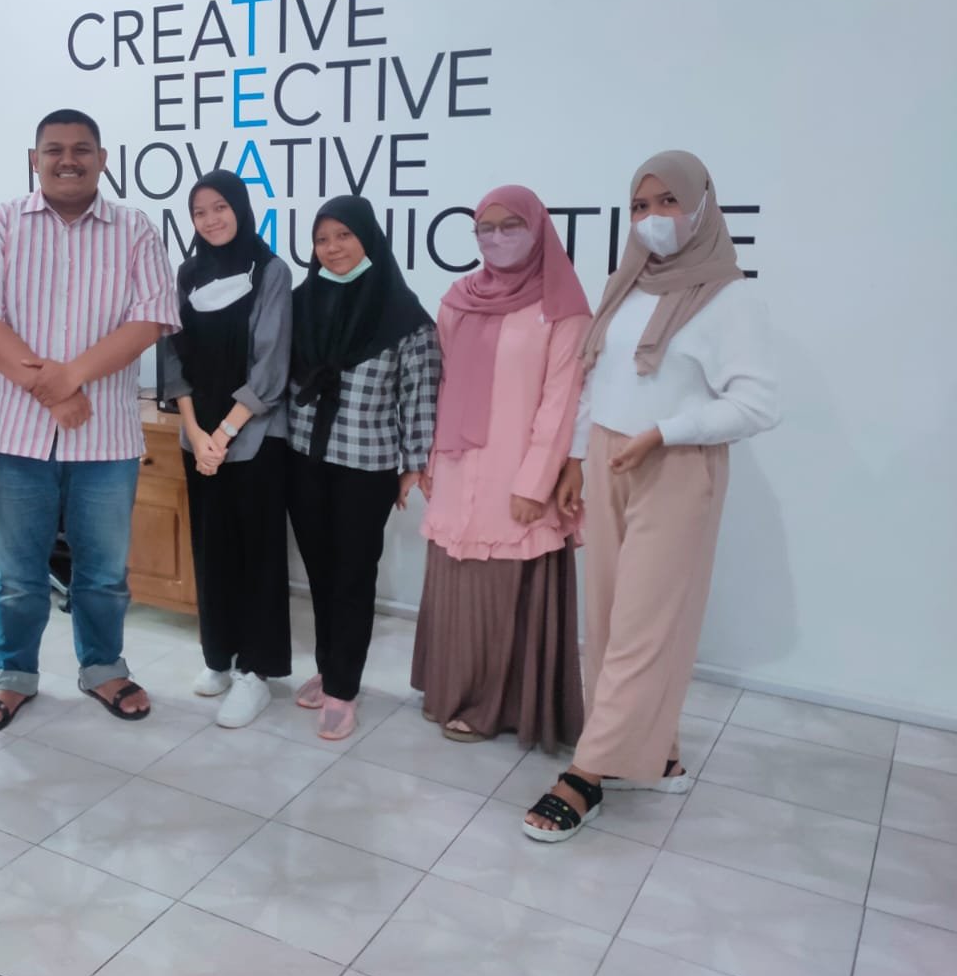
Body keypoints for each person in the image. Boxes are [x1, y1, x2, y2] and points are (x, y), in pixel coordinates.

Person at [523, 151, 780, 842]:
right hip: (612, 456)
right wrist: (578, 458)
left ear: (702, 206)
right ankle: (656, 750)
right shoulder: (627, 284)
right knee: (610, 620)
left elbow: (759, 404)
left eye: (669, 201)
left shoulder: (729, 298)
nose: (653, 217)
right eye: (640, 206)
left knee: (645, 624)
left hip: (674, 463)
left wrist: (666, 432)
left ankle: (588, 774)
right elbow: (596, 377)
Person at [0, 108, 180, 733]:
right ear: (34, 159)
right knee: (16, 576)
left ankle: (103, 668)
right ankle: (13, 674)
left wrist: (69, 378)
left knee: (103, 574)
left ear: (102, 159)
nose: (68, 160)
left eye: (82, 149)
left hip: (106, 440)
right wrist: (51, 393)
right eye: (54, 149)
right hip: (16, 438)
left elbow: (149, 321)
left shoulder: (135, 230)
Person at [411, 185, 591, 753]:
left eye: (510, 225)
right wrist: (429, 459)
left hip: (517, 470)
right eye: (484, 228)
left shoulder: (562, 308)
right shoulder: (458, 299)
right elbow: (442, 385)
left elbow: (562, 400)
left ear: (538, 230)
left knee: (505, 586)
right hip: (456, 468)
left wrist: (535, 482)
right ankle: (453, 692)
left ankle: (499, 707)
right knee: (459, 583)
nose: (496, 237)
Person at [287, 195, 440, 741]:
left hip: (367, 465)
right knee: (320, 572)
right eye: (322, 239)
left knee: (353, 576)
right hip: (303, 458)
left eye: (344, 236)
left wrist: (414, 464)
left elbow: (419, 394)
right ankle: (329, 667)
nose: (332, 248)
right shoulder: (300, 303)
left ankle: (343, 688)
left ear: (368, 238)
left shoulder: (403, 314)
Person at [159, 171, 293, 729]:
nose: (211, 219)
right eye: (199, 211)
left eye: (220, 207)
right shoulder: (187, 274)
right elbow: (172, 357)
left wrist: (225, 433)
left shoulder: (270, 271)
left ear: (240, 208)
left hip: (255, 437)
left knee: (256, 555)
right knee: (210, 550)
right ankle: (219, 655)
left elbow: (271, 364)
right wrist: (195, 432)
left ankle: (255, 671)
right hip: (200, 438)